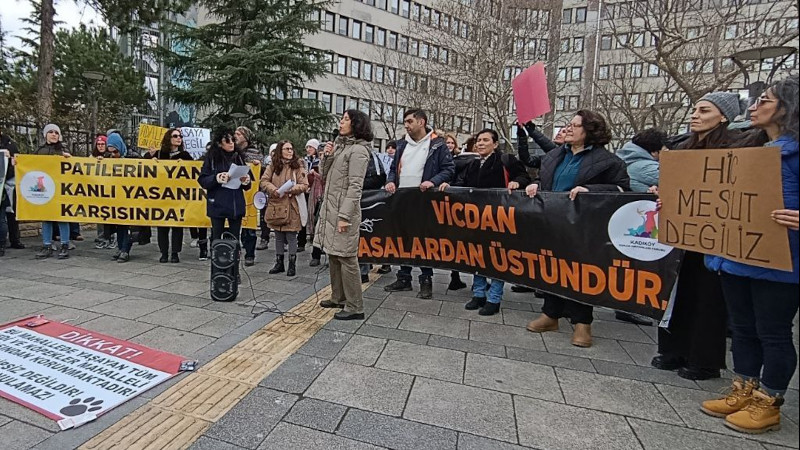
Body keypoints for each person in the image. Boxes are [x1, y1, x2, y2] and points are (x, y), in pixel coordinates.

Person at [700, 76, 799, 434]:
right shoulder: (749, 150)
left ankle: (769, 401)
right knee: (742, 328)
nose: (754, 107)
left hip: (781, 262)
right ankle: (743, 388)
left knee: (773, 332)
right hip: (737, 256)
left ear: (788, 108)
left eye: (764, 101)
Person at [650, 92, 747, 380]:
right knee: (678, 292)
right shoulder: (682, 147)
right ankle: (674, 349)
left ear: (724, 117)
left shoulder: (739, 147)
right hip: (683, 235)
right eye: (694, 110)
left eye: (704, 111)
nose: (695, 115)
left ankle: (704, 360)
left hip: (717, 236)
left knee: (708, 297)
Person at [525, 110, 630, 348]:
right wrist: (536, 184)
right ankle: (550, 314)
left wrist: (591, 191)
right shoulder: (554, 155)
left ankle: (583, 322)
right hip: (553, 222)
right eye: (568, 125)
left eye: (575, 125)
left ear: (590, 131)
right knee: (551, 267)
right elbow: (548, 181)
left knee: (580, 272)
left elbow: (623, 189)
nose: (568, 129)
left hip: (584, 226)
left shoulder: (609, 161)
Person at [441, 129, 531, 315]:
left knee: (497, 258)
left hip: (499, 218)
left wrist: (517, 182)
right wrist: (450, 187)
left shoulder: (506, 160)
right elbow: (465, 184)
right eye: (478, 140)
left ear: (495, 144)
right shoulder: (473, 164)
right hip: (476, 219)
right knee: (477, 256)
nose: (480, 143)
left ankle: (494, 299)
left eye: (485, 140)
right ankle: (479, 294)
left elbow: (524, 177)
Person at [384, 109, 455, 299]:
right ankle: (404, 277)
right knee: (403, 239)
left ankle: (426, 279)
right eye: (405, 122)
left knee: (424, 241)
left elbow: (448, 169)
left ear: (421, 122)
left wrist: (433, 181)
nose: (406, 125)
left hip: (424, 201)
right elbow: (393, 169)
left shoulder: (437, 145)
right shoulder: (401, 145)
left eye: (409, 121)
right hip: (402, 200)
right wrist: (391, 181)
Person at [315, 110, 372, 320]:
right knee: (333, 253)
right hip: (332, 208)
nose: (341, 122)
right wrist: (327, 156)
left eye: (346, 119)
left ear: (356, 124)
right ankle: (338, 297)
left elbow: (355, 187)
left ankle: (355, 306)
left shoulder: (359, 151)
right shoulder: (340, 147)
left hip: (343, 212)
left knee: (347, 257)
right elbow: (324, 174)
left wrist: (345, 216)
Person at [613, 127, 669, 326]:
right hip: (642, 222)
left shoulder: (625, 159)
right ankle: (629, 307)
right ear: (654, 151)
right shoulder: (645, 166)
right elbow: (680, 179)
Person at [260, 140, 308, 277]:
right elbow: (264, 181)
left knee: (291, 235)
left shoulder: (297, 166)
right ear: (280, 150)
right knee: (278, 235)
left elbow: (304, 184)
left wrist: (293, 189)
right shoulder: (273, 165)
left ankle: (292, 264)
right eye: (287, 149)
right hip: (277, 204)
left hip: (292, 205)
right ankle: (279, 263)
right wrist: (273, 190)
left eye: (291, 149)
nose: (290, 151)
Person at [145, 128, 193, 263]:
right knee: (162, 225)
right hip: (161, 195)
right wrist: (150, 157)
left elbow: (194, 170)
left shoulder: (185, 155)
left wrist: (186, 165)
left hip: (178, 196)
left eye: (180, 136)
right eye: (175, 136)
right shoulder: (160, 154)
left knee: (177, 225)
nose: (179, 138)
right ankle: (164, 252)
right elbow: (142, 168)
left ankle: (175, 253)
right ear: (168, 138)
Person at [198, 128, 253, 244]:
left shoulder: (239, 157)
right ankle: (216, 255)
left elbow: (248, 184)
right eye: (227, 141)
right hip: (218, 203)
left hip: (235, 204)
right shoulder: (212, 158)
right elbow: (202, 180)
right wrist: (217, 178)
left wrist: (246, 180)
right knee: (217, 238)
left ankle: (234, 256)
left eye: (233, 140)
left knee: (234, 240)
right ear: (219, 143)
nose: (231, 143)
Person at [34, 124, 73, 259]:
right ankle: (47, 245)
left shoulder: (64, 149)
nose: (54, 134)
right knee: (47, 217)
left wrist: (69, 158)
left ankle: (64, 245)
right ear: (45, 135)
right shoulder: (40, 151)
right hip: (46, 188)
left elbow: (73, 167)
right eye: (50, 132)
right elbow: (30, 165)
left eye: (56, 132)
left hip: (61, 187)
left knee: (62, 217)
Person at [358, 141, 389, 283]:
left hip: (366, 200)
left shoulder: (372, 157)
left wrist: (357, 185)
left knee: (364, 234)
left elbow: (379, 177)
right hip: (354, 199)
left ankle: (363, 269)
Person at [235, 126, 261, 266]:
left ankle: (250, 254)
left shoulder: (254, 153)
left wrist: (258, 165)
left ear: (246, 137)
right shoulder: (232, 151)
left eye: (239, 134)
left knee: (249, 227)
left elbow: (260, 172)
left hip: (250, 194)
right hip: (235, 193)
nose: (236, 136)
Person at [375, 140, 397, 275]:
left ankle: (386, 262)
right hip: (381, 197)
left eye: (393, 148)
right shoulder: (379, 161)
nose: (390, 150)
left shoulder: (398, 163)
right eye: (388, 147)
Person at [1, 130, 23, 251]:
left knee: (11, 212)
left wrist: (12, 161)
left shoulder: (10, 144)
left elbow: (17, 162)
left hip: (9, 182)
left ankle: (14, 240)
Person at [297, 139, 320, 253]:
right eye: (307, 147)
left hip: (316, 192)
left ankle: (315, 241)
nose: (308, 149)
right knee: (303, 215)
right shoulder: (304, 161)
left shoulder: (320, 161)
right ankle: (301, 242)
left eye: (311, 147)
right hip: (305, 191)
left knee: (315, 216)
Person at [256, 142, 278, 251]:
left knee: (279, 217)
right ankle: (264, 238)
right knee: (264, 218)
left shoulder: (283, 165)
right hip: (265, 194)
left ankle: (283, 242)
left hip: (278, 194)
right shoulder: (264, 164)